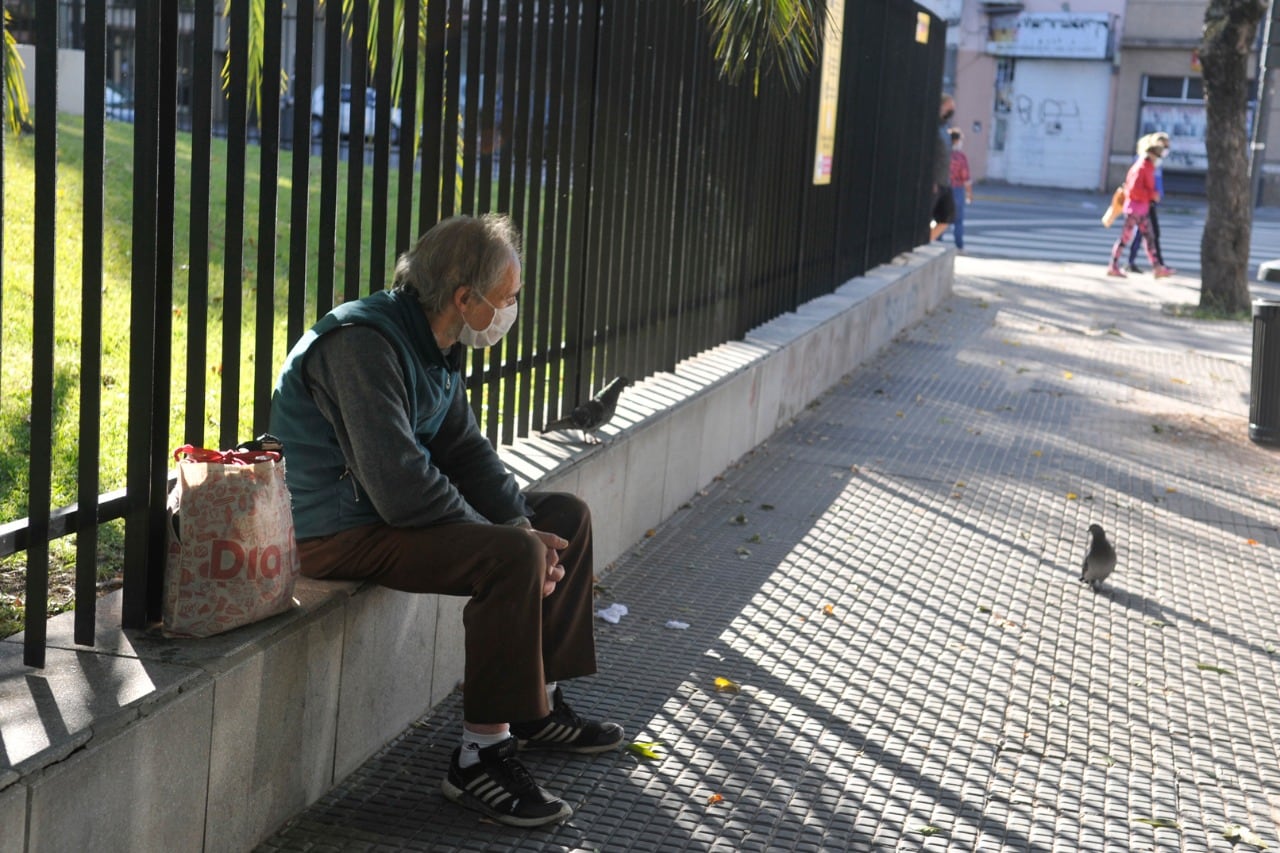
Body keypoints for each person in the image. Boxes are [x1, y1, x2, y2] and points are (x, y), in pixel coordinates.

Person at [270, 214, 623, 829]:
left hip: (383, 518)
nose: (513, 308)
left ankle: (536, 705)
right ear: (465, 298)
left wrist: (516, 519)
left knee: (565, 515)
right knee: (513, 556)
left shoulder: (434, 341)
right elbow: (402, 485)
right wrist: (512, 539)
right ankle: (479, 758)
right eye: (508, 298)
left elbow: (464, 450)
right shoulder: (362, 344)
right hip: (335, 533)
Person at [1108, 143, 1175, 279]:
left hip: (1141, 209)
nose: (1158, 158)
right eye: (1157, 155)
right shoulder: (1142, 168)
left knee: (1148, 238)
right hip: (1135, 209)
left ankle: (1157, 267)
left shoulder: (1146, 167)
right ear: (1151, 154)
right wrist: (1152, 195)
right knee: (1126, 238)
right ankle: (1113, 266)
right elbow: (1134, 190)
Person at [1127, 131, 1170, 273]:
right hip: (1143, 202)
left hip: (1149, 201)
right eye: (1164, 146)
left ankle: (1155, 265)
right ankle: (1156, 265)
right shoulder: (1145, 162)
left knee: (1147, 233)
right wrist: (1152, 195)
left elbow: (1157, 182)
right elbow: (1137, 186)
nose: (1165, 150)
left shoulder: (1156, 162)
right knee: (1146, 233)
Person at [930, 94, 956, 242]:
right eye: (950, 105)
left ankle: (926, 239)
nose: (953, 109)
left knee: (947, 215)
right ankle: (921, 241)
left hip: (945, 180)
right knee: (926, 216)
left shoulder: (945, 126)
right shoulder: (935, 126)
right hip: (935, 181)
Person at [948, 127, 973, 251]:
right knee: (958, 220)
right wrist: (969, 194)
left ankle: (936, 240)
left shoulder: (945, 154)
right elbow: (966, 178)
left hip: (945, 188)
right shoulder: (960, 157)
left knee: (941, 218)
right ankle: (959, 245)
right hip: (957, 189)